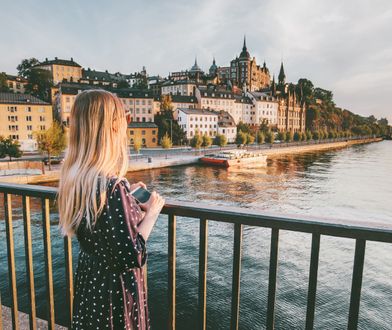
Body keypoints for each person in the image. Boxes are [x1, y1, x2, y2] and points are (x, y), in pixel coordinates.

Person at [57, 90, 164, 329]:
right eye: (124, 120)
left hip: (91, 283)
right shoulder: (112, 187)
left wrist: (128, 196)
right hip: (115, 292)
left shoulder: (77, 178)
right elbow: (133, 254)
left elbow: (103, 223)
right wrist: (153, 211)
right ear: (112, 128)